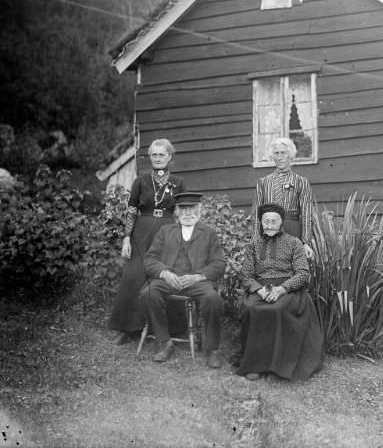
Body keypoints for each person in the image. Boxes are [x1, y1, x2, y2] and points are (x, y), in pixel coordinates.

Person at [109, 138, 184, 345]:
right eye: (154, 155)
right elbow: (131, 212)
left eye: (162, 154)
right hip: (142, 230)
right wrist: (126, 238)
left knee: (164, 274)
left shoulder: (178, 183)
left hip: (168, 230)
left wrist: (182, 236)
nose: (158, 158)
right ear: (149, 157)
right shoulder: (140, 182)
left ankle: (166, 327)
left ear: (170, 157)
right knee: (134, 276)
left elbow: (180, 212)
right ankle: (126, 328)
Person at [237, 203, 323, 381]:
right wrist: (258, 290)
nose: (269, 225)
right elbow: (246, 274)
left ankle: (279, 366)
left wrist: (282, 289)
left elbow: (302, 273)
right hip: (261, 288)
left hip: (289, 289)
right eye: (265, 221)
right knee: (251, 307)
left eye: (273, 221)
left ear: (281, 222)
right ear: (261, 222)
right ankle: (255, 365)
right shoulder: (254, 244)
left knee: (277, 309)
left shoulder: (294, 243)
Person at [142, 191, 226, 368]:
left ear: (199, 210)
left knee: (212, 298)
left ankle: (211, 349)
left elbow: (219, 263)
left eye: (192, 209)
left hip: (197, 282)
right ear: (177, 212)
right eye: (183, 209)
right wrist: (165, 273)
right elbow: (150, 259)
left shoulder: (208, 233)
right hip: (169, 281)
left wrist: (198, 276)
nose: (188, 213)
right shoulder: (165, 231)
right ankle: (165, 342)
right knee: (149, 293)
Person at [251, 137, 315, 256]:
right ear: (272, 156)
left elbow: (306, 214)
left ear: (290, 155)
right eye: (276, 153)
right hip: (268, 232)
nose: (279, 157)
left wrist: (306, 242)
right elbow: (256, 214)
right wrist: (255, 240)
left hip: (292, 231)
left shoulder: (301, 182)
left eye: (283, 153)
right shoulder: (263, 182)